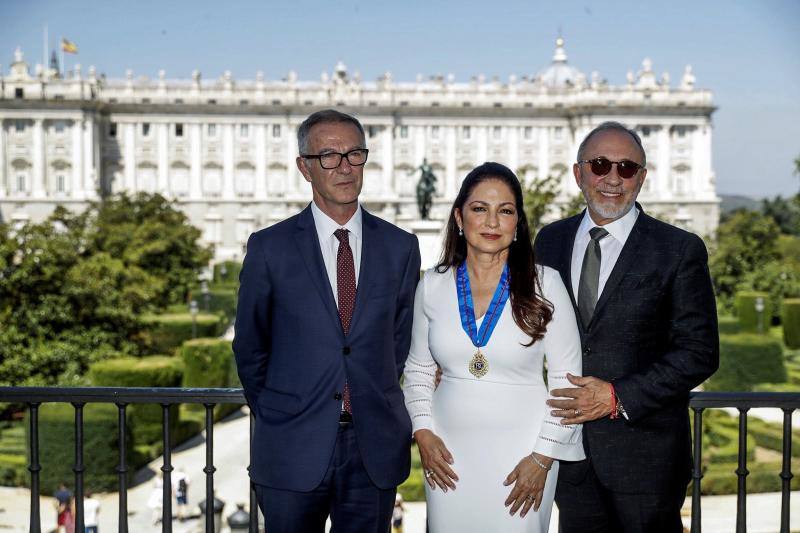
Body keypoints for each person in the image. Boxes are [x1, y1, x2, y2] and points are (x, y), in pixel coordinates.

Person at [233, 109, 421, 533]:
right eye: (329, 156)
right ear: (305, 167)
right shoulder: (269, 248)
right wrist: (281, 412)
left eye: (355, 154)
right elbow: (250, 348)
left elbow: (399, 341)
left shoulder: (400, 247)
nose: (344, 167)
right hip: (291, 446)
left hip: (371, 448)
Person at [534, 121, 719, 532]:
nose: (613, 179)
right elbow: (528, 325)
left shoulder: (678, 248)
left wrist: (617, 396)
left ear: (643, 177)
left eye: (627, 168)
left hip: (646, 462)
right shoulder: (550, 241)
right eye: (600, 165)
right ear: (578, 172)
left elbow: (699, 351)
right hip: (570, 455)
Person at [403, 162, 584, 532]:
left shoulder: (546, 283)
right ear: (459, 216)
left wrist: (544, 456)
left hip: (525, 458)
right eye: (479, 208)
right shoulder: (432, 285)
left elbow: (568, 384)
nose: (491, 222)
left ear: (517, 224)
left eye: (505, 211)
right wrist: (422, 431)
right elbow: (418, 371)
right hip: (448, 458)